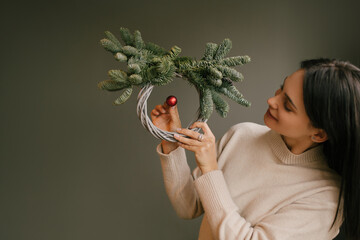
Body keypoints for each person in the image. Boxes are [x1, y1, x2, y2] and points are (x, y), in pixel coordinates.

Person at [150, 58, 360, 240]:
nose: (272, 100)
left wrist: (211, 170)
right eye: (281, 88)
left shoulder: (326, 199)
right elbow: (188, 206)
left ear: (319, 133)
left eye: (288, 105)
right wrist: (171, 143)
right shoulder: (241, 135)